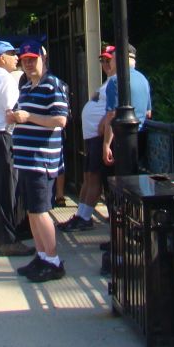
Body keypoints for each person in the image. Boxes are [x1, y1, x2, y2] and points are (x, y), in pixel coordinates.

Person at [7, 39, 70, 282]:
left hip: (40, 159)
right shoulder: (26, 87)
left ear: (43, 58)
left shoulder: (52, 85)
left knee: (41, 210)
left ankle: (53, 260)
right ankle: (42, 255)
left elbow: (60, 120)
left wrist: (28, 116)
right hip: (25, 159)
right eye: (25, 61)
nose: (29, 64)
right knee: (33, 211)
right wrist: (15, 117)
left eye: (33, 59)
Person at [0, 41, 34, 256]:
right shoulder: (7, 80)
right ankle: (10, 240)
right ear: (2, 57)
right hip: (5, 136)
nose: (17, 59)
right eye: (13, 54)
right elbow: (13, 113)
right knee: (8, 190)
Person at [58, 47, 114, 232]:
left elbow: (114, 111)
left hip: (100, 138)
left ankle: (85, 216)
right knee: (88, 176)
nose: (105, 65)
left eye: (108, 60)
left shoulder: (117, 82)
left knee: (94, 176)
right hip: (92, 138)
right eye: (103, 61)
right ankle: (81, 214)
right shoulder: (108, 83)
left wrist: (105, 127)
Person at [102, 43, 152, 169]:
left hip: (121, 141)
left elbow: (112, 114)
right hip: (141, 139)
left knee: (117, 182)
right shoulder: (144, 80)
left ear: (117, 59)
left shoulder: (115, 81)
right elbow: (148, 113)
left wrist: (106, 144)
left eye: (111, 59)